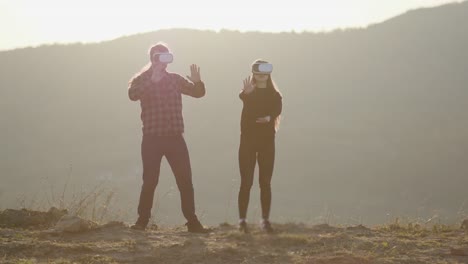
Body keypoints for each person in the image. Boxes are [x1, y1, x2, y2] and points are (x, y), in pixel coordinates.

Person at [127, 42, 209, 233]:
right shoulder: (141, 79)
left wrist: (198, 81)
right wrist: (152, 81)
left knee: (185, 180)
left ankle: (192, 222)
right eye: (158, 56)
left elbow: (198, 93)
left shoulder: (174, 79)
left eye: (166, 56)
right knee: (150, 180)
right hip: (152, 139)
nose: (162, 61)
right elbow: (132, 95)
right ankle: (142, 221)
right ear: (152, 58)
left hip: (175, 138)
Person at [237, 59, 283, 233]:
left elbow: (277, 109)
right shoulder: (248, 93)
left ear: (269, 74)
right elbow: (242, 97)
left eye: (265, 72)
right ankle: (242, 221)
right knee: (246, 183)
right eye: (258, 72)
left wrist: (269, 118)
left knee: (265, 183)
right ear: (254, 74)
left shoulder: (274, 95)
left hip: (266, 143)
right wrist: (247, 93)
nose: (262, 75)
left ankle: (265, 220)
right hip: (247, 142)